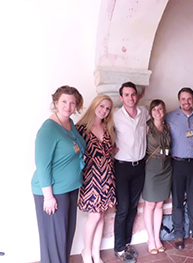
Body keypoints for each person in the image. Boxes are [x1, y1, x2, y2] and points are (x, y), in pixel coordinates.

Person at [32, 85, 86, 263]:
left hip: (70, 188)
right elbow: (42, 165)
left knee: (66, 235)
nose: (68, 106)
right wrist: (48, 197)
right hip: (53, 191)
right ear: (55, 102)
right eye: (64, 101)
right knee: (54, 240)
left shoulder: (69, 124)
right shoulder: (48, 129)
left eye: (72, 103)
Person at [166, 87, 193, 250]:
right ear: (179, 101)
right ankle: (178, 234)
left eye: (189, 98)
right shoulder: (169, 117)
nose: (186, 102)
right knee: (177, 200)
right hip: (177, 163)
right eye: (183, 99)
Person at [76, 94, 117, 263]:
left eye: (107, 108)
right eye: (101, 106)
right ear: (94, 105)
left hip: (107, 176)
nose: (104, 111)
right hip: (91, 177)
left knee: (101, 216)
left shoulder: (108, 128)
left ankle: (95, 252)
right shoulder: (81, 129)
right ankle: (86, 251)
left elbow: (111, 150)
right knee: (94, 216)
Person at [113, 81, 148, 263]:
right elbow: (105, 135)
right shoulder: (115, 116)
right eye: (126, 95)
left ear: (137, 95)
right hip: (122, 167)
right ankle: (118, 248)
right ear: (121, 97)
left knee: (133, 207)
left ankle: (126, 243)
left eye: (133, 94)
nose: (130, 98)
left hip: (140, 166)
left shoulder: (144, 112)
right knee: (123, 208)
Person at [142, 99, 172, 255]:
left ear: (164, 111)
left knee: (160, 204)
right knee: (150, 205)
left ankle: (157, 238)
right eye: (154, 109)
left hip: (166, 168)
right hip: (151, 168)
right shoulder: (147, 127)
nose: (157, 112)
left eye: (160, 109)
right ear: (151, 111)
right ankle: (150, 239)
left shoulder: (167, 126)